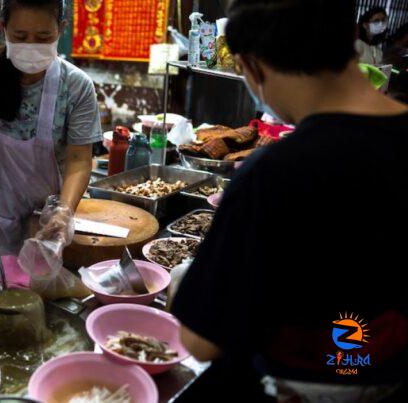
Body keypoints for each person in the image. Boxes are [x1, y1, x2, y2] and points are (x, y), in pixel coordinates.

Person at [171, 0, 408, 402]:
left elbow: (200, 342)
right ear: (350, 40)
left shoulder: (273, 172)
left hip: (304, 386)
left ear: (252, 67)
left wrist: (182, 284)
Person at [0, 0, 100, 256]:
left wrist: (63, 212)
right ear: (2, 27)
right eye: (20, 36)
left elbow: (79, 160)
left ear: (61, 29)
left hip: (50, 222)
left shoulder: (75, 87)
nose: (31, 45)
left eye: (43, 37)